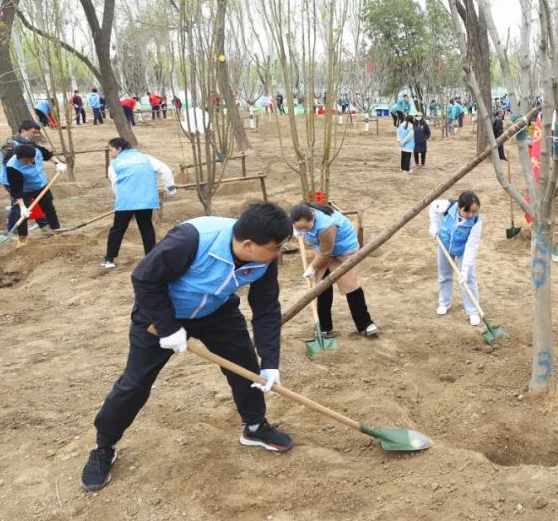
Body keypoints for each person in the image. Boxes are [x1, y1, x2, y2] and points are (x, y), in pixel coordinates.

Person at [80, 203, 295, 491]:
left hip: (218, 313)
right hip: (160, 315)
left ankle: (255, 427)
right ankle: (104, 446)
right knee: (135, 383)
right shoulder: (191, 240)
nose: (279, 252)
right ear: (248, 244)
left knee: (246, 370)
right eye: (276, 247)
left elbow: (266, 308)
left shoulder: (263, 260)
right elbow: (144, 278)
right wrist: (169, 328)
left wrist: (270, 360)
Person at [290, 202, 378, 337]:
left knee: (350, 286)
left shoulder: (326, 225)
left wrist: (312, 267)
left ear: (312, 217)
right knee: (322, 287)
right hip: (324, 250)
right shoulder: (303, 215)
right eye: (299, 228)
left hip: (344, 250)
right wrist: (298, 230)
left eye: (305, 227)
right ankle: (324, 327)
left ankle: (366, 324)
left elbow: (325, 254)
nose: (303, 230)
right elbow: (323, 251)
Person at [103, 137, 176, 269]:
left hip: (126, 201)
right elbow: (165, 169)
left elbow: (115, 185)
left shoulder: (114, 164)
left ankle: (109, 259)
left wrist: (120, 199)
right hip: (146, 200)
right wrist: (170, 187)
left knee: (118, 229)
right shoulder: (145, 158)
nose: (110, 153)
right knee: (146, 227)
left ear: (119, 149)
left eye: (111, 150)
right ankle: (151, 257)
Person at [429, 191, 483, 326]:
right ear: (460, 206)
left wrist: (464, 269)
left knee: (469, 278)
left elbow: (472, 246)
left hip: (463, 248)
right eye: (468, 211)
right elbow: (433, 206)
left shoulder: (476, 221)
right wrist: (434, 226)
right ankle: (444, 303)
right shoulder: (447, 206)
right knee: (444, 275)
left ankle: (473, 311)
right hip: (445, 244)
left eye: (474, 211)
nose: (471, 215)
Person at [0, 120, 62, 231]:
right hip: (12, 180)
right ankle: (13, 229)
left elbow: (45, 153)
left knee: (39, 203)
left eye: (38, 132)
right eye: (34, 132)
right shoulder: (10, 146)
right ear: (23, 131)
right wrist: (23, 205)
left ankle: (44, 225)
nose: (37, 135)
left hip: (33, 181)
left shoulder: (29, 143)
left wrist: (57, 163)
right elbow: (9, 166)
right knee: (19, 205)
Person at [5, 144, 65, 243]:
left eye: (31, 159)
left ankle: (57, 231)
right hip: (25, 190)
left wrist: (57, 163)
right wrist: (22, 207)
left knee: (50, 209)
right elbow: (16, 189)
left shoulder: (36, 150)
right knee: (22, 216)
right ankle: (22, 240)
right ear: (19, 158)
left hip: (42, 186)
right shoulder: (12, 167)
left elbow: (48, 155)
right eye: (26, 161)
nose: (29, 162)